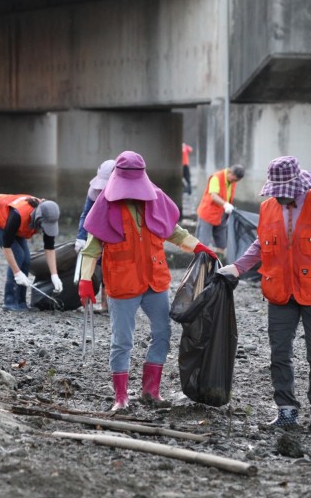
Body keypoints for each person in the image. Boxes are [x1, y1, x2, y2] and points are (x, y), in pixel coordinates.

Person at [218, 156, 311, 431]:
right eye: (275, 192)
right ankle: (286, 410)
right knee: (279, 353)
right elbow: (260, 244)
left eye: (283, 193)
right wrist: (238, 268)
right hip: (280, 292)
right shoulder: (268, 209)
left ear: (298, 187)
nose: (279, 197)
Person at [77, 151, 217, 411]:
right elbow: (91, 248)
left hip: (155, 281)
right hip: (123, 284)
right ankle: (120, 397)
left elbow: (173, 232)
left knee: (163, 333)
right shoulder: (106, 205)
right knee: (122, 340)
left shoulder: (155, 200)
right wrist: (86, 281)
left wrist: (199, 247)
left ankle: (150, 390)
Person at [0, 194, 62, 311]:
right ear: (38, 218)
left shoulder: (49, 216)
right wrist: (17, 273)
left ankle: (21, 302)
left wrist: (54, 275)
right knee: (18, 254)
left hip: (14, 224)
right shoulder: (18, 214)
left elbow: (49, 248)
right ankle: (9, 302)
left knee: (26, 260)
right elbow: (7, 246)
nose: (45, 229)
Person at [74, 159, 115, 311]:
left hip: (116, 231)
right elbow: (86, 214)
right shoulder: (94, 190)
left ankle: (107, 303)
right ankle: (99, 301)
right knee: (96, 262)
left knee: (111, 264)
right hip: (99, 229)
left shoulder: (124, 193)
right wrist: (81, 237)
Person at [195, 164, 245, 261]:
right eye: (234, 179)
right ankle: (199, 264)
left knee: (222, 243)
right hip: (208, 214)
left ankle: (219, 263)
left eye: (236, 181)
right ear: (230, 172)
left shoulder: (232, 180)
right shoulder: (216, 177)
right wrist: (226, 204)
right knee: (203, 241)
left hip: (221, 214)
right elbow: (214, 196)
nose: (234, 182)